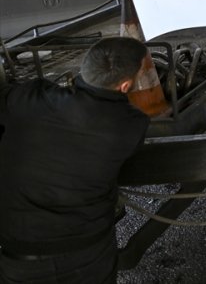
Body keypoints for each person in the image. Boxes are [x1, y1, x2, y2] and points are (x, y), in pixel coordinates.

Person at [0, 37, 150, 283]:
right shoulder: (131, 125)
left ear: (84, 68)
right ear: (125, 86)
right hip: (87, 258)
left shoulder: (30, 100)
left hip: (20, 260)